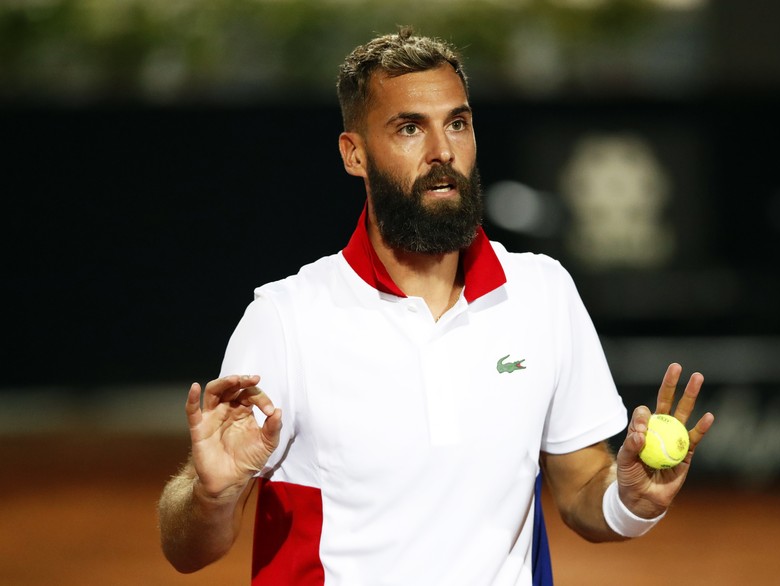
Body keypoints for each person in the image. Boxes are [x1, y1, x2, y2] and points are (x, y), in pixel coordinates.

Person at [158, 27, 715, 586]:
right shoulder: (285, 319)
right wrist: (211, 493)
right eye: (408, 128)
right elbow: (187, 550)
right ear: (354, 154)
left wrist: (631, 500)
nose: (442, 150)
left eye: (457, 123)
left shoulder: (542, 293)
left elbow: (581, 489)